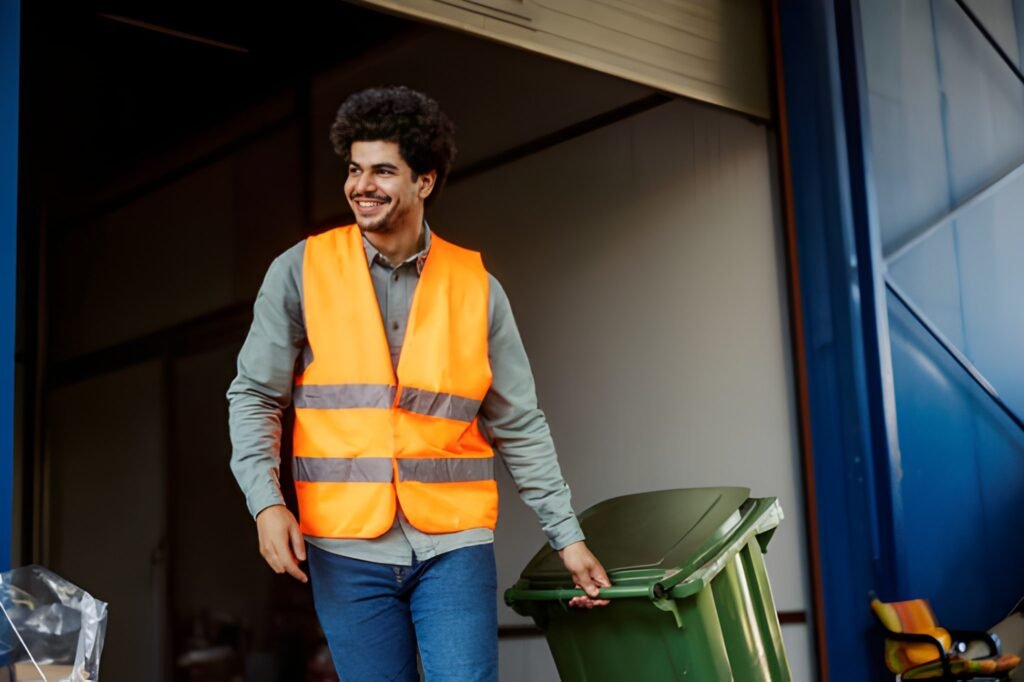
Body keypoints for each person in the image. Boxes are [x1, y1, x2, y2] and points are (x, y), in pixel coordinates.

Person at [227, 85, 609, 681]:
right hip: (345, 547)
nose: (361, 185)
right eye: (354, 170)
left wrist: (568, 538)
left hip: (453, 545)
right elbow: (254, 395)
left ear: (424, 182)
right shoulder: (299, 271)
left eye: (383, 170)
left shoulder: (478, 288)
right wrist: (266, 503)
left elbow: (519, 422)